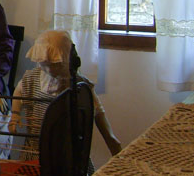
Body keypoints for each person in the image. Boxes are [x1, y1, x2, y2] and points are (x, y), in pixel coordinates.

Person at [9, 30, 122, 166]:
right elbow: (19, 90)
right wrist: (15, 114)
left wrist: (111, 139)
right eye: (44, 65)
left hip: (68, 155)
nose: (49, 70)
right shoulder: (31, 78)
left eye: (54, 65)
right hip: (35, 151)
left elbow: (97, 111)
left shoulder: (79, 84)